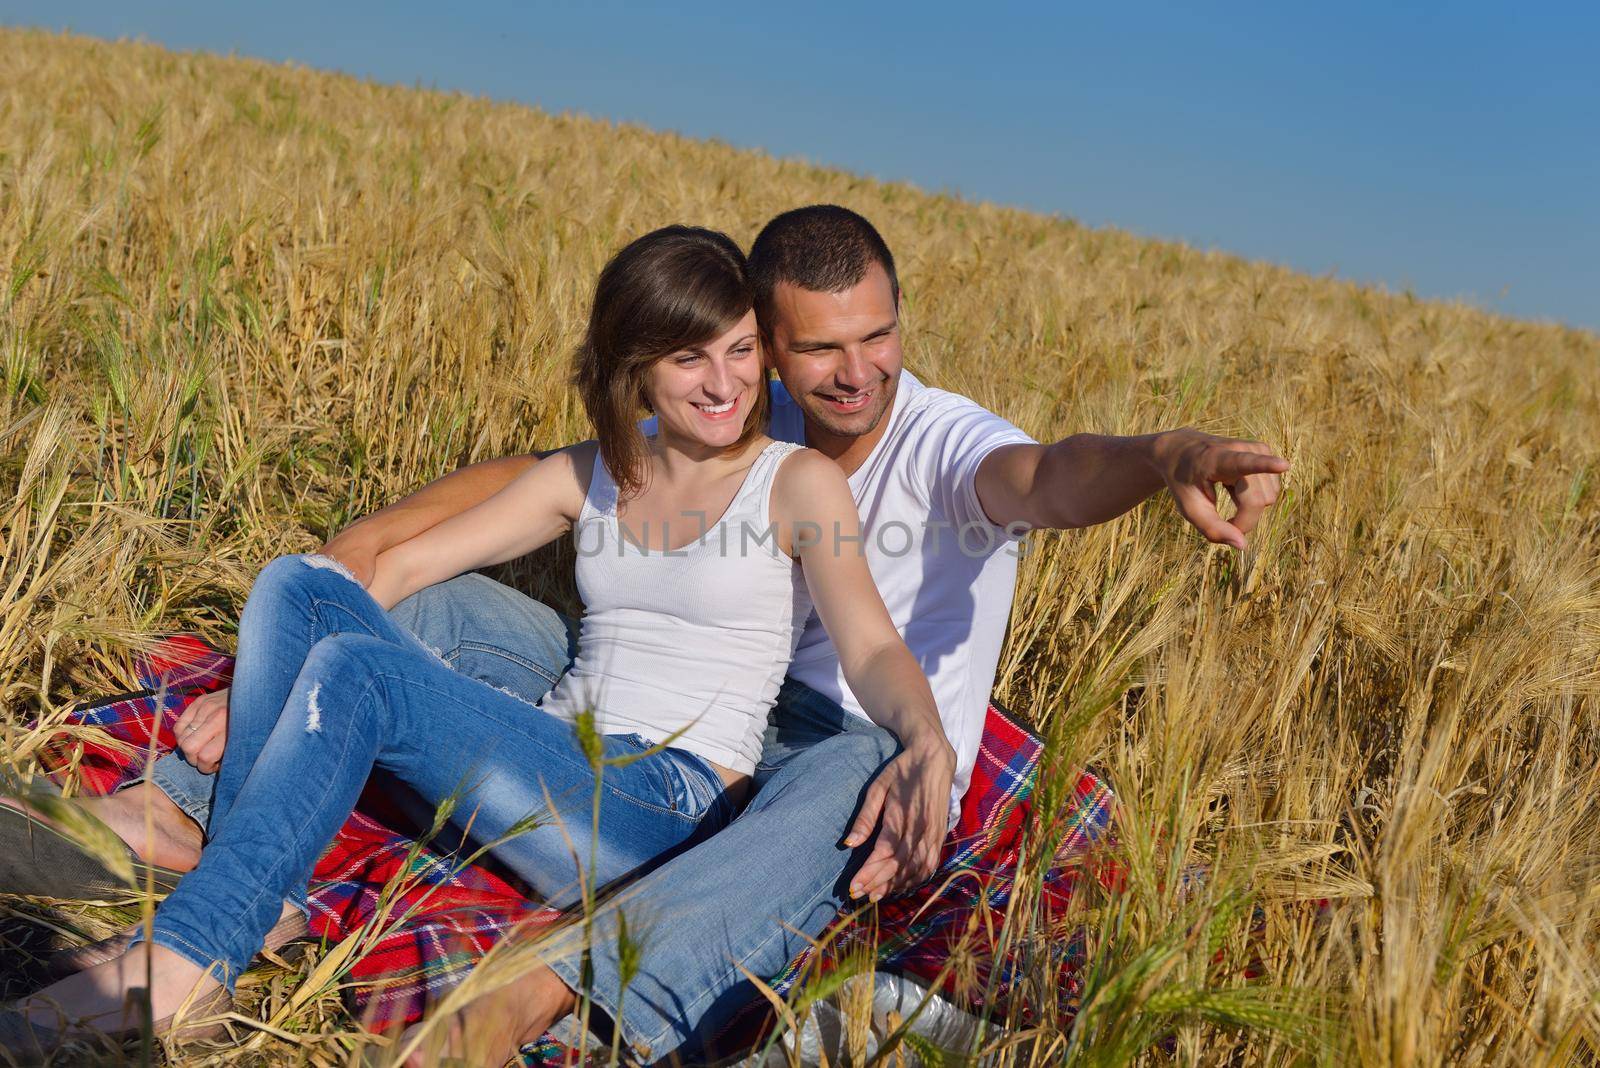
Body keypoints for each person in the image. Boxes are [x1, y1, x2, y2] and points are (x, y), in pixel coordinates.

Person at [7, 206, 1287, 1064]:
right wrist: (352, 558)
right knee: (338, 600)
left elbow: (1040, 488)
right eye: (812, 350)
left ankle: (496, 980)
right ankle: (211, 824)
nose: (854, 373)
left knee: (371, 679)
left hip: (806, 749)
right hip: (604, 715)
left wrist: (1167, 456)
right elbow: (509, 489)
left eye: (879, 338)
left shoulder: (885, 458)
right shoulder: (688, 432)